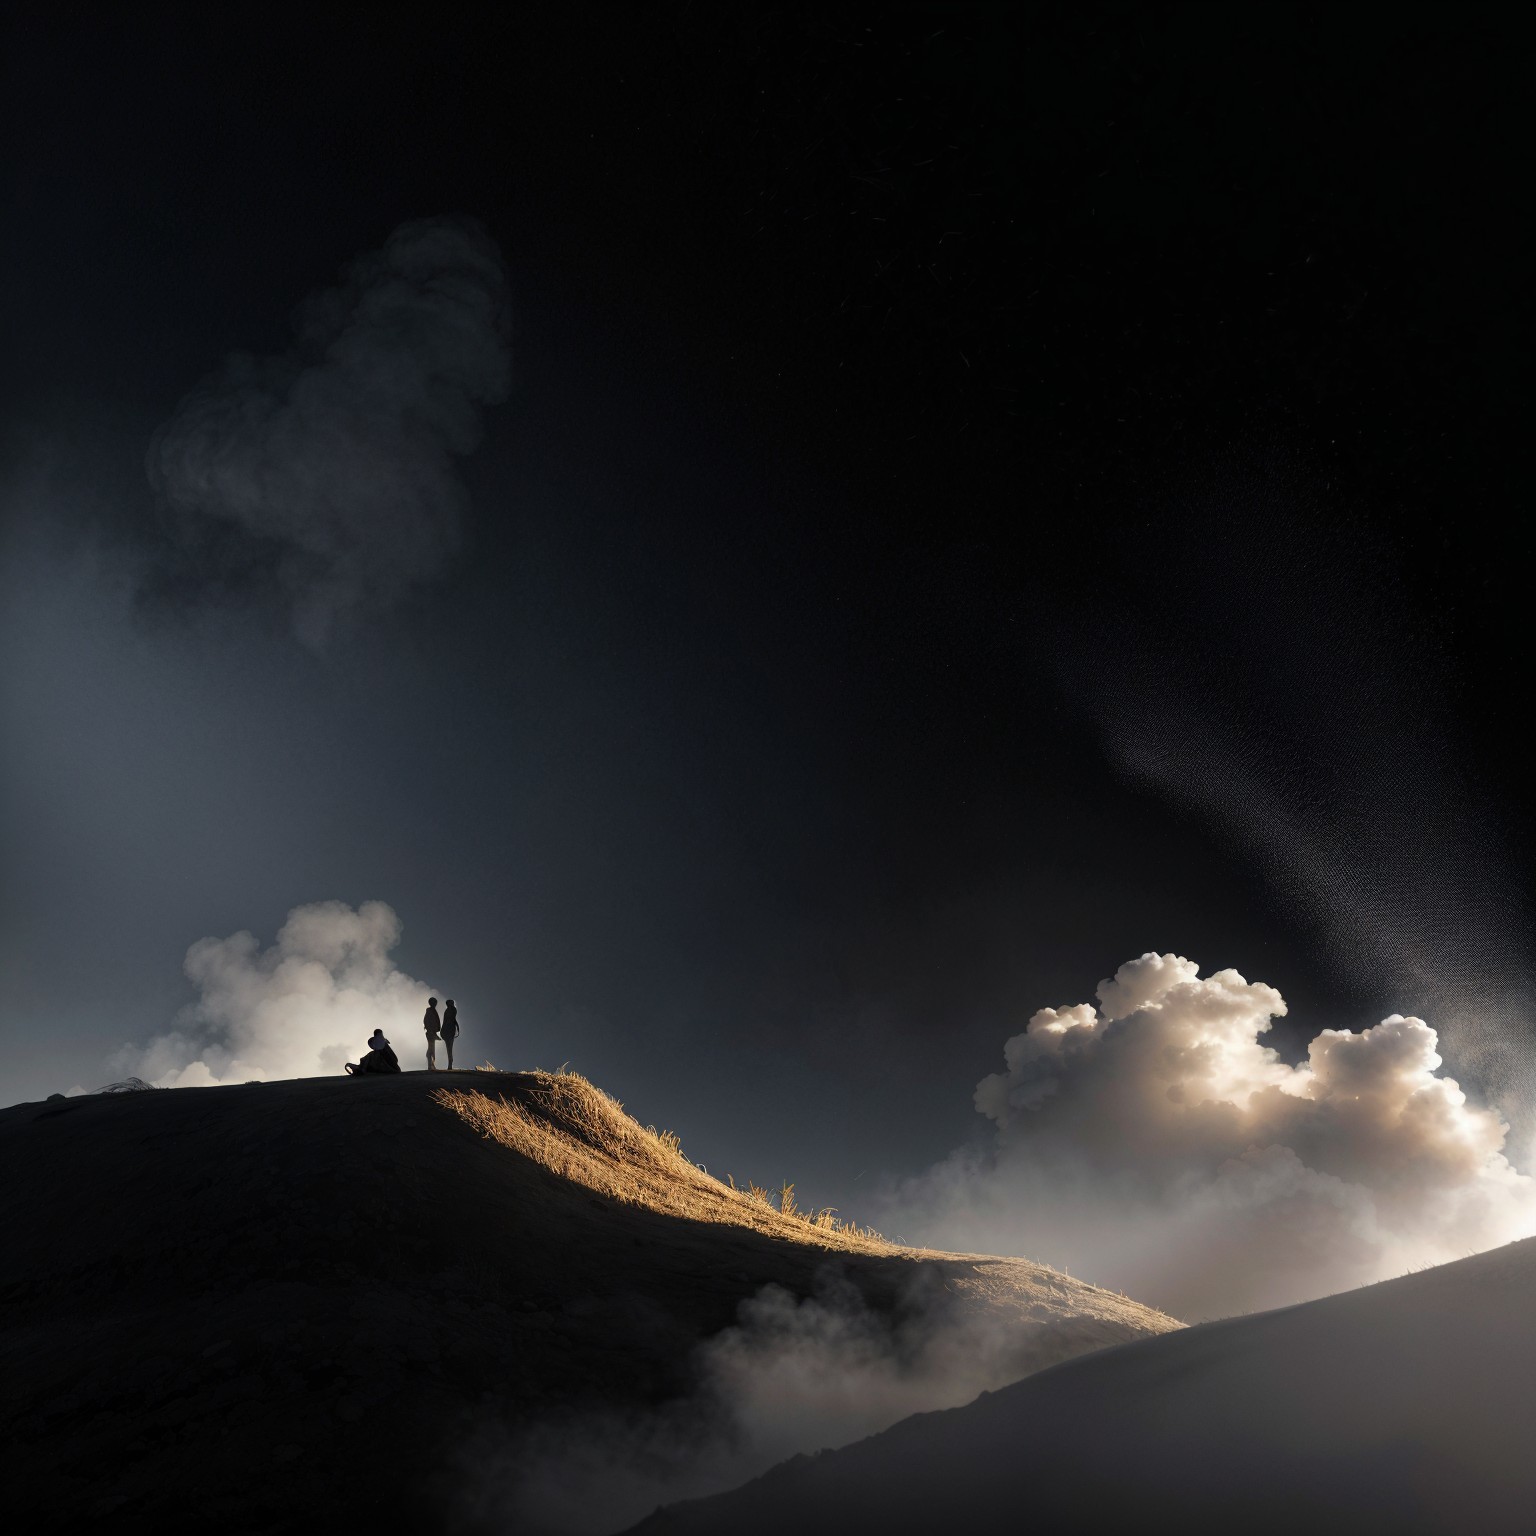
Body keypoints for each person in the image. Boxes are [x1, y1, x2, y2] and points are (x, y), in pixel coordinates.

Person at [424, 996, 442, 1071]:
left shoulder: (432, 1010)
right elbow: (426, 1021)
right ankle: (430, 1065)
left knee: (432, 1049)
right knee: (431, 1049)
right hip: (431, 1032)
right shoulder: (429, 1011)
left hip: (432, 1032)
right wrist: (430, 1029)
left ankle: (431, 1065)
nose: (435, 1004)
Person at [441, 998, 460, 1069]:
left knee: (449, 1048)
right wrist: (457, 1027)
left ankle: (450, 1063)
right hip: (449, 1030)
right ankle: (450, 1063)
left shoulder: (448, 1010)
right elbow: (452, 1019)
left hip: (447, 1030)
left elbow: (449, 1020)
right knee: (449, 1048)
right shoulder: (452, 1010)